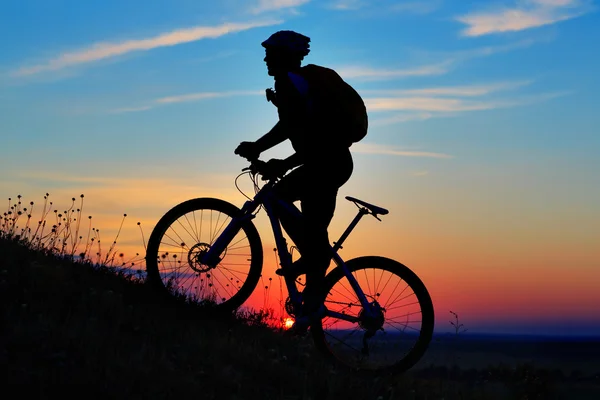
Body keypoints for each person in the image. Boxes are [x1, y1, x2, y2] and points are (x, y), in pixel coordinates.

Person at [234, 30, 365, 334]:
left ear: (285, 55)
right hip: (330, 162)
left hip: (325, 163)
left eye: (271, 52)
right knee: (316, 233)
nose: (266, 58)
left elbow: (300, 131)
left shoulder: (292, 82)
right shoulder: (300, 84)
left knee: (278, 199)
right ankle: (309, 315)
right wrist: (271, 154)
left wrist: (267, 153)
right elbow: (300, 129)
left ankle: (311, 257)